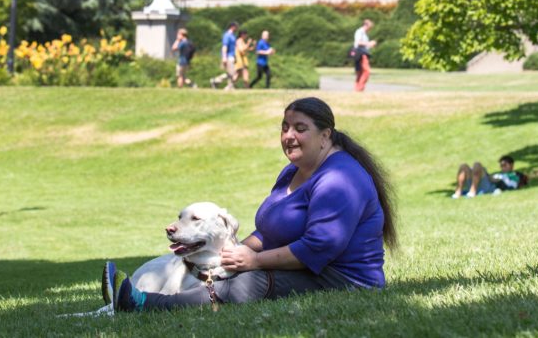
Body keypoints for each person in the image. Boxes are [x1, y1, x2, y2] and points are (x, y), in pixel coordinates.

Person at [101, 96, 397, 312]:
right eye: (284, 127)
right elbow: (269, 232)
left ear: (325, 135)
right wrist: (236, 251)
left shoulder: (340, 179)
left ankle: (143, 304)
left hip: (341, 277)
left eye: (300, 128)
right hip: (309, 266)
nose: (289, 136)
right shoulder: (293, 172)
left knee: (248, 283)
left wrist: (254, 261)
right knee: (230, 271)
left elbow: (319, 247)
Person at [451, 155, 526, 199]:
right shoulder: (498, 173)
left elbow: (512, 185)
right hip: (484, 182)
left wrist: (496, 181)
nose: (502, 167)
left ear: (512, 165)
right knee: (463, 166)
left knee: (477, 164)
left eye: (505, 165)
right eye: (501, 165)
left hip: (489, 187)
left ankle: (472, 192)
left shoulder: (515, 174)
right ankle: (458, 193)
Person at [209, 22, 239, 90]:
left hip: (232, 56)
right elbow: (224, 46)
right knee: (233, 73)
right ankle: (218, 81)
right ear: (232, 27)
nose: (237, 28)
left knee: (231, 73)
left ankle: (218, 82)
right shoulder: (227, 35)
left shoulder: (232, 36)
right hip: (228, 56)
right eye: (236, 27)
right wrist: (224, 57)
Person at [352, 19, 376, 92]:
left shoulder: (364, 33)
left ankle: (357, 88)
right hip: (361, 53)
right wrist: (369, 43)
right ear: (366, 25)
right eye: (369, 27)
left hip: (363, 53)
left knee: (360, 71)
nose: (370, 29)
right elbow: (358, 42)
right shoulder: (360, 32)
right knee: (366, 71)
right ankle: (359, 88)